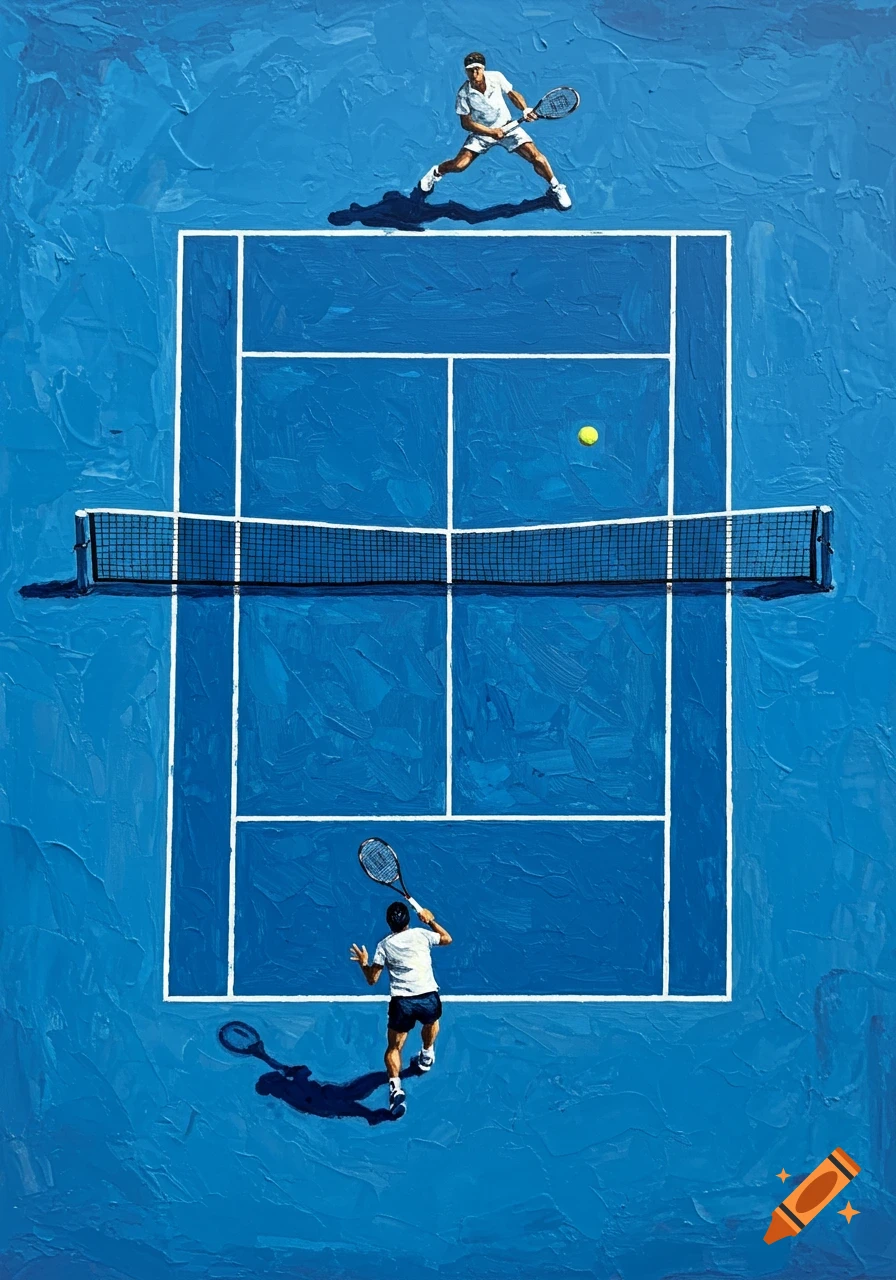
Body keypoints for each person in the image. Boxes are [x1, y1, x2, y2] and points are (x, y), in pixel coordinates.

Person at [418, 51, 572, 210]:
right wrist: (491, 132)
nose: (474, 73)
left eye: (477, 69)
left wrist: (525, 109)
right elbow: (466, 123)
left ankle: (555, 187)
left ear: (483, 68)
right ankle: (436, 172)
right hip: (481, 133)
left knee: (536, 156)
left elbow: (512, 94)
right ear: (466, 71)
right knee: (459, 165)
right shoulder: (463, 94)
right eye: (470, 70)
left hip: (508, 127)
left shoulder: (496, 77)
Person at [350, 900, 452, 1117]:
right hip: (428, 997)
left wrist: (363, 963)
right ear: (408, 920)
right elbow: (447, 938)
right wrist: (430, 920)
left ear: (389, 923)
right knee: (432, 1022)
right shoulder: (422, 934)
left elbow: (372, 979)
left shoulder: (383, 946)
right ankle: (427, 1055)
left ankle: (396, 1089)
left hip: (402, 1004)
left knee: (394, 1047)